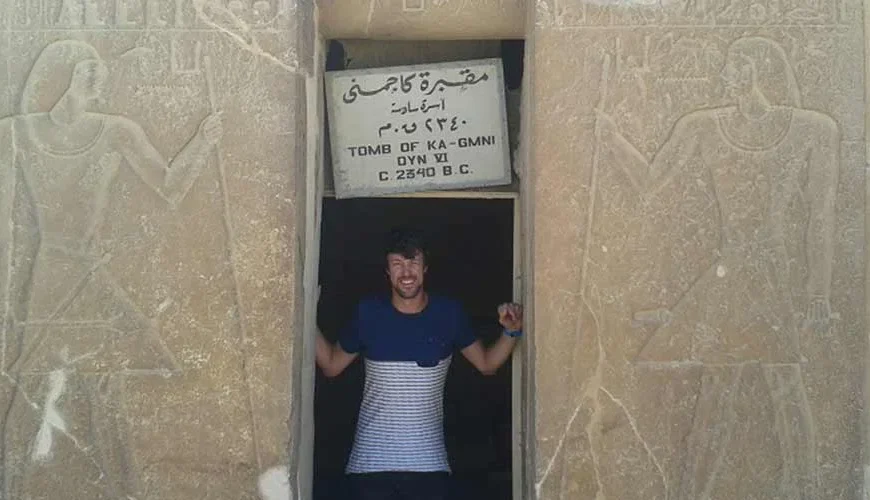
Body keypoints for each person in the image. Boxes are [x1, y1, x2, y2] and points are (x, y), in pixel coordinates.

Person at [595, 36, 836, 498]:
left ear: (763, 72)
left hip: (775, 275)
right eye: (729, 67)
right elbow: (649, 180)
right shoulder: (703, 125)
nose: (727, 75)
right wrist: (611, 138)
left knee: (785, 385)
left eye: (738, 67)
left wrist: (820, 293)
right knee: (717, 393)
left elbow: (819, 217)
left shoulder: (812, 128)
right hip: (730, 274)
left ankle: (807, 488)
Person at [315, 227, 522, 500]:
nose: (407, 272)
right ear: (387, 271)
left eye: (413, 262)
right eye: (397, 264)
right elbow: (331, 365)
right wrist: (305, 313)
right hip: (369, 467)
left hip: (429, 468)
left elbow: (486, 365)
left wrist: (511, 331)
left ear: (426, 268)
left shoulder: (449, 314)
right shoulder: (368, 314)